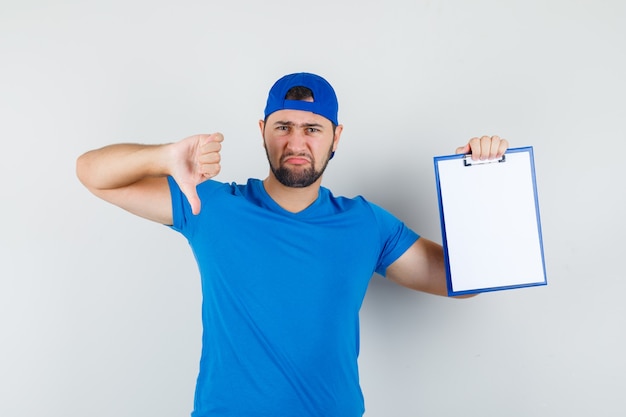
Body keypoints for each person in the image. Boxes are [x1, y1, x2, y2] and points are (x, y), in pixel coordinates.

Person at [76, 72, 508, 417]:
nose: (296, 143)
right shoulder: (208, 203)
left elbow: (464, 280)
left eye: (312, 129)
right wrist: (162, 157)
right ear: (263, 130)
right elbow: (91, 172)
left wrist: (482, 183)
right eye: (283, 126)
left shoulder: (365, 224)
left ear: (336, 136)